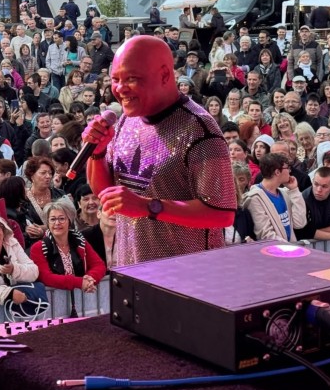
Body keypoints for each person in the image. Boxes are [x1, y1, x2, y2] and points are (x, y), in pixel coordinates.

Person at [84, 36, 236, 266]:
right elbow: (106, 193)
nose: (120, 88)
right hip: (132, 270)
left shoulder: (199, 128)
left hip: (188, 276)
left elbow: (222, 214)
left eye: (131, 78)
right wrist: (97, 153)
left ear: (164, 75)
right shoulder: (126, 120)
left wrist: (147, 206)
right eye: (115, 79)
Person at [29, 199, 105, 292]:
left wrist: (90, 279)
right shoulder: (38, 248)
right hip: (53, 298)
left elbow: (99, 265)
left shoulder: (80, 241)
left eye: (61, 218)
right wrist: (79, 282)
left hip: (82, 297)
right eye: (53, 219)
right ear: (48, 223)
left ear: (69, 221)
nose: (57, 223)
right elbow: (46, 277)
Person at [244, 153, 307, 243]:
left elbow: (299, 223)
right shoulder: (255, 198)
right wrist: (289, 247)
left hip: (289, 248)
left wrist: (294, 190)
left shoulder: (284, 193)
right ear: (277, 172)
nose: (290, 171)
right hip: (274, 250)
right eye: (287, 168)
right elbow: (266, 235)